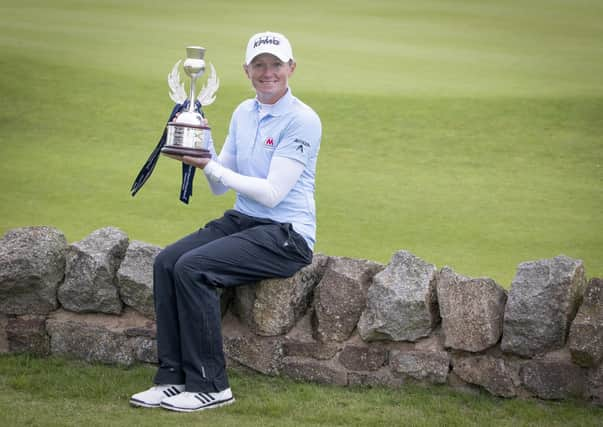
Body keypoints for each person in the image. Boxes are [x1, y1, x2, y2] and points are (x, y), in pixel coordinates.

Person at [130, 31, 322, 413]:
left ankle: (211, 385)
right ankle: (172, 377)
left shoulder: (303, 120)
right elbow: (220, 186)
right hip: (244, 219)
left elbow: (272, 194)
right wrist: (198, 141)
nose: (268, 72)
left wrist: (211, 164)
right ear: (247, 70)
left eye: (276, 64)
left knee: (194, 268)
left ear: (291, 68)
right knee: (166, 262)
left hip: (287, 235)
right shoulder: (242, 112)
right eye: (259, 65)